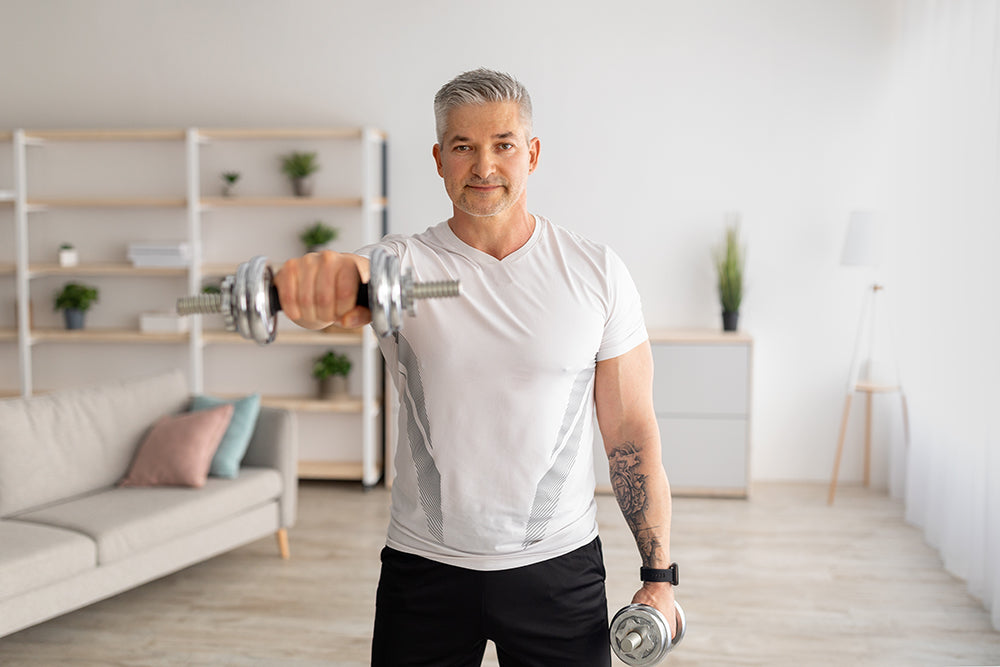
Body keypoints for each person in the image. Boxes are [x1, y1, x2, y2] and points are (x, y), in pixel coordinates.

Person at [274, 68, 677, 666]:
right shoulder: (399, 265)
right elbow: (342, 291)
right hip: (425, 569)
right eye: (464, 147)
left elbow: (630, 434)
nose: (484, 166)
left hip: (558, 568)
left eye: (503, 145)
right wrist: (313, 279)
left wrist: (659, 576)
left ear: (532, 154)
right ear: (439, 160)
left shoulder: (596, 272)